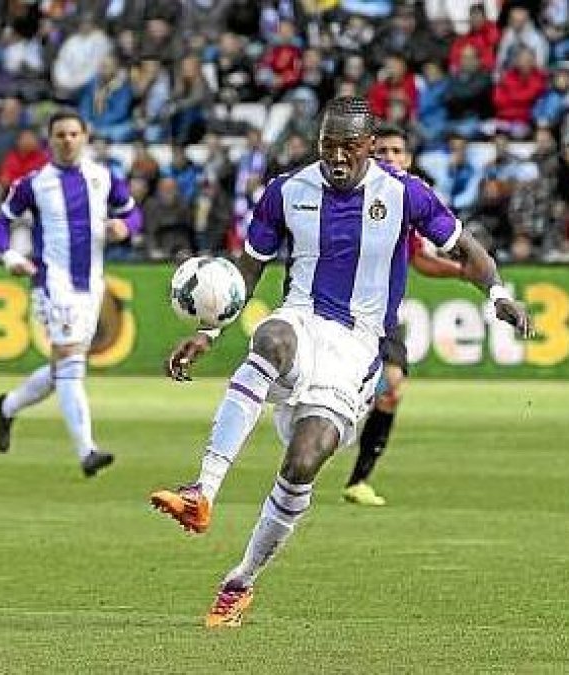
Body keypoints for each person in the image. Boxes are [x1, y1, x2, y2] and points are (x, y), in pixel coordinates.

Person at [147, 96, 533, 628]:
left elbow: (467, 250)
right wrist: (210, 330)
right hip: (303, 320)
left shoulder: (404, 193)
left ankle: (240, 583)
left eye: (349, 146)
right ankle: (202, 491)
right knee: (270, 337)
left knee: (303, 461)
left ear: (370, 145)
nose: (337, 156)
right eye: (328, 144)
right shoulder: (287, 191)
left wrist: (498, 296)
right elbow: (248, 269)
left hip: (357, 350)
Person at [0, 111, 139, 477]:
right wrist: (9, 255)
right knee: (72, 364)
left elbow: (133, 213)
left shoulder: (103, 177)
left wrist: (125, 227)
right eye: (60, 135)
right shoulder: (34, 183)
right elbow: (1, 221)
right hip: (53, 283)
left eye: (74, 134)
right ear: (50, 139)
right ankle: (87, 451)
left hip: (92, 285)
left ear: (85, 137)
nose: (67, 140)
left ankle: (8, 406)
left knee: (64, 367)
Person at [341, 124, 469, 507]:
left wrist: (463, 271)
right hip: (338, 308)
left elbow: (420, 259)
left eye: (397, 151)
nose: (390, 158)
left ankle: (358, 481)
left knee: (392, 386)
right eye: (382, 151)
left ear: (409, 160)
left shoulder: (405, 204)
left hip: (382, 314)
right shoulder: (348, 197)